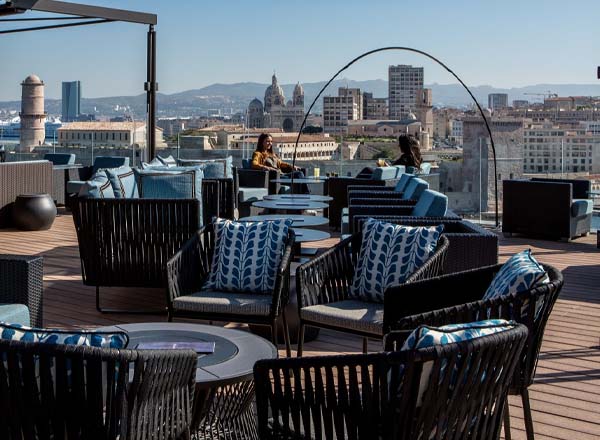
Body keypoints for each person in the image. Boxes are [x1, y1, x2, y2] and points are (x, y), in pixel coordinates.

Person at [356, 134, 423, 178]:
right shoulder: (413, 159)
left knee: (367, 170)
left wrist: (385, 166)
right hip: (392, 181)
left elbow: (394, 172)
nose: (399, 146)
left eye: (400, 144)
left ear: (405, 146)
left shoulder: (405, 158)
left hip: (389, 183)